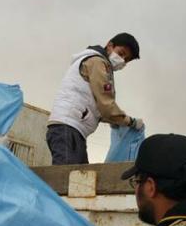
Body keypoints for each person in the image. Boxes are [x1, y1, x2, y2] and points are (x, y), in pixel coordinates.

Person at [47, 33, 144, 165]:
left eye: (126, 60)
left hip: (73, 129)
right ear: (110, 45)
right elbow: (106, 105)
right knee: (68, 175)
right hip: (68, 127)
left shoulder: (97, 63)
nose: (122, 60)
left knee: (81, 175)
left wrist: (116, 121)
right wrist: (130, 122)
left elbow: (98, 108)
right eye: (121, 54)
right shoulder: (97, 63)